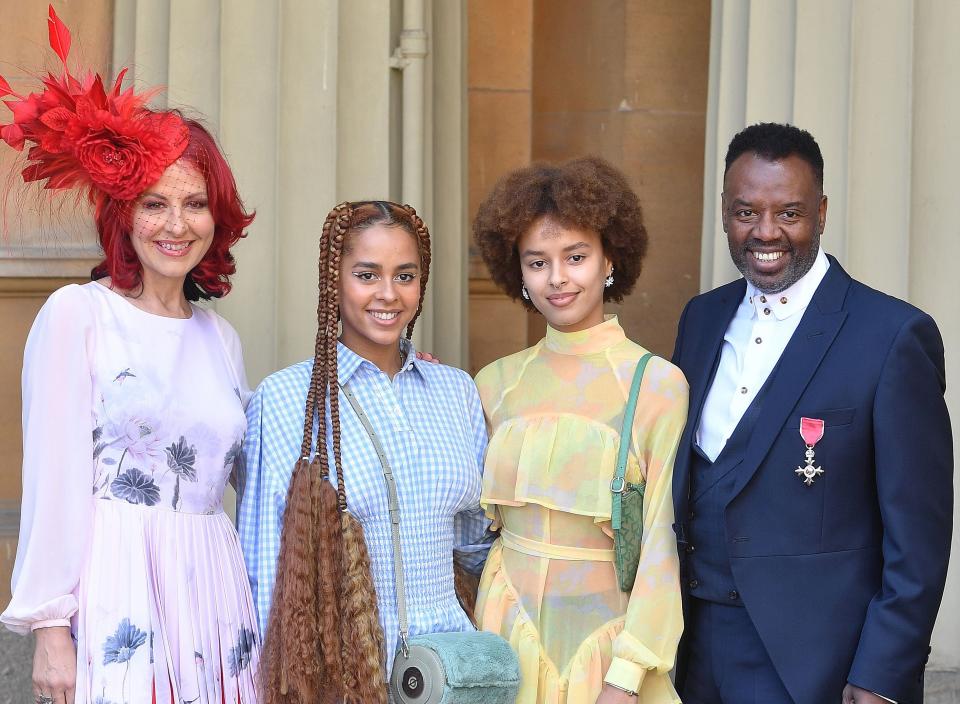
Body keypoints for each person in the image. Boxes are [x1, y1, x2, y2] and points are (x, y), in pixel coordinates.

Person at [0, 9, 260, 704]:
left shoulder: (221, 338)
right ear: (123, 215)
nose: (177, 225)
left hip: (214, 588)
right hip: (117, 587)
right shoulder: (78, 315)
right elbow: (53, 478)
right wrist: (52, 626)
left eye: (195, 203)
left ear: (218, 217)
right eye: (154, 203)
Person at [671, 122, 953, 704]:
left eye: (789, 213)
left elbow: (919, 535)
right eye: (746, 212)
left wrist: (883, 673)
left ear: (821, 213)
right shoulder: (700, 318)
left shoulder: (893, 335)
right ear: (724, 212)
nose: (766, 232)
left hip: (815, 668)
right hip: (691, 651)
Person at [237, 200, 494, 703]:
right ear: (334, 283)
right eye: (366, 274)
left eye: (405, 275)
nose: (388, 294)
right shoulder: (285, 399)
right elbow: (264, 564)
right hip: (344, 676)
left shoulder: (456, 390)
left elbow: (476, 542)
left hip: (452, 672)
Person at [472, 156, 687, 704]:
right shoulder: (494, 383)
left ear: (610, 257)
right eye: (537, 262)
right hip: (505, 639)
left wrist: (628, 674)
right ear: (517, 272)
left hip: (609, 654)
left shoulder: (656, 384)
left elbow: (661, 542)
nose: (558, 278)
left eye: (575, 257)